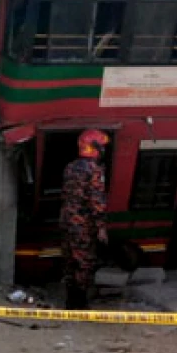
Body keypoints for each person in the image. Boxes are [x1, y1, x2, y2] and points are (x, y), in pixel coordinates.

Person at [61, 130, 110, 310]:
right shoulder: (94, 170)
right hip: (83, 224)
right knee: (84, 262)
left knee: (69, 261)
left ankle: (70, 300)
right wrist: (101, 228)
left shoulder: (70, 167)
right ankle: (79, 303)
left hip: (67, 222)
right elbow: (96, 201)